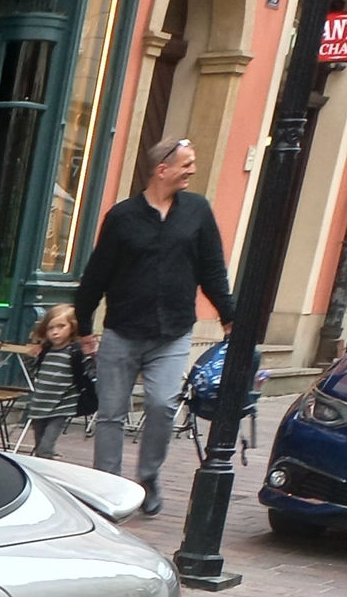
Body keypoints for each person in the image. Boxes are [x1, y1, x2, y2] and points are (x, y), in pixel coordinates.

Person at [72, 137, 234, 515]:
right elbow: (98, 274)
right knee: (111, 412)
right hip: (122, 331)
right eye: (186, 164)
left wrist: (230, 316)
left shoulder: (197, 211)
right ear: (162, 169)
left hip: (173, 332)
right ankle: (108, 487)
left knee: (162, 405)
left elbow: (212, 270)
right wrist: (84, 327)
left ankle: (148, 476)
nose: (192, 170)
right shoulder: (123, 217)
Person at [22, 303, 89, 459]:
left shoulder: (75, 351)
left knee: (45, 447)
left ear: (72, 327)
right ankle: (48, 461)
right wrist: (31, 357)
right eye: (51, 328)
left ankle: (47, 462)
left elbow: (86, 372)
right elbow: (34, 372)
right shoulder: (45, 351)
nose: (55, 332)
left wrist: (92, 356)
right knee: (40, 444)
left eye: (61, 326)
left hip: (62, 406)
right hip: (40, 403)